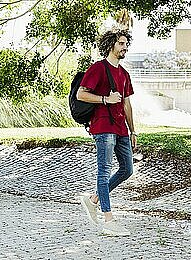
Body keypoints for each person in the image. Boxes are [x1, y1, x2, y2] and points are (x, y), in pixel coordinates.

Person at [76, 29, 137, 236]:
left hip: (121, 128)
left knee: (127, 169)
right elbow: (81, 94)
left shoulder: (124, 74)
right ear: (111, 44)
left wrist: (133, 131)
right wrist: (104, 99)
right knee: (104, 171)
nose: (125, 47)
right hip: (103, 127)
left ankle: (93, 199)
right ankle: (108, 220)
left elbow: (127, 104)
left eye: (126, 44)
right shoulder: (98, 68)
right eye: (121, 43)